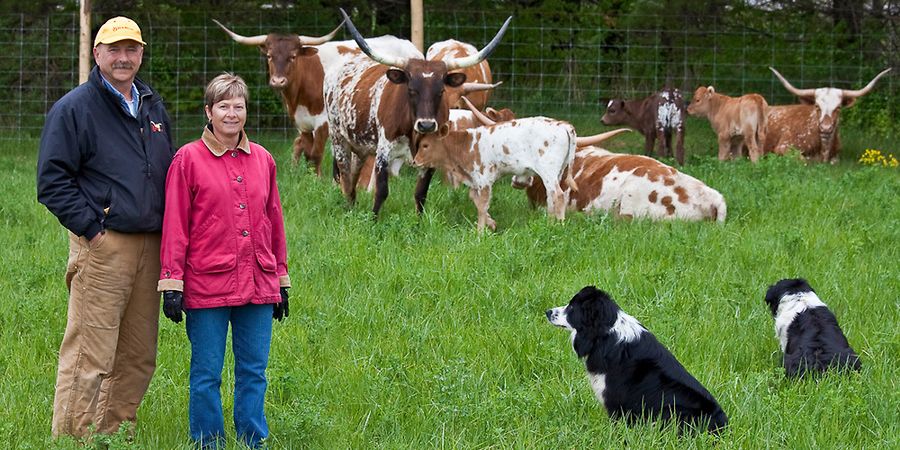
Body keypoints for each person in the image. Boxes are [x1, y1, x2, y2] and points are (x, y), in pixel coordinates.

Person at [36, 16, 174, 439]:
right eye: (113, 49)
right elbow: (52, 180)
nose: (123, 57)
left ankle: (113, 437)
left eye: (131, 49)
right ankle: (73, 439)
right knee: (89, 355)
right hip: (104, 246)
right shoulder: (75, 108)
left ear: (141, 54)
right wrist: (92, 230)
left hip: (150, 246)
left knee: (137, 355)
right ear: (97, 54)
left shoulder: (151, 105)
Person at [158, 73, 290, 449]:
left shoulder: (263, 159)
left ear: (246, 111)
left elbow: (273, 222)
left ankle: (253, 440)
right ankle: (207, 443)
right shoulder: (188, 159)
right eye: (223, 106)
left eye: (238, 106)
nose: (231, 114)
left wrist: (280, 280)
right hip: (206, 285)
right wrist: (172, 282)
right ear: (209, 111)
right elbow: (175, 225)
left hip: (258, 283)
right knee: (206, 374)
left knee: (254, 371)